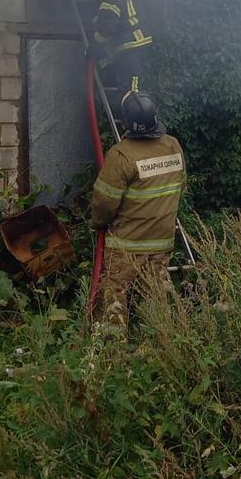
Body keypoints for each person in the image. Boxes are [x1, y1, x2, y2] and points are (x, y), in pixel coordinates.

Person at [91, 91, 186, 328]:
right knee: (156, 297)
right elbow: (180, 186)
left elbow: (104, 203)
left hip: (127, 244)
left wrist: (98, 223)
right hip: (161, 241)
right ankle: (161, 342)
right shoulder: (173, 146)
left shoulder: (121, 155)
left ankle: (113, 345)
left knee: (113, 296)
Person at [90, 0, 154, 108]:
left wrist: (95, 43)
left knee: (130, 92)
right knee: (129, 84)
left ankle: (132, 115)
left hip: (129, 45)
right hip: (136, 42)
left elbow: (107, 27)